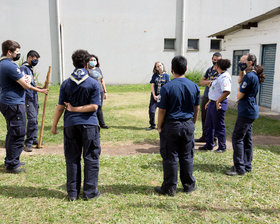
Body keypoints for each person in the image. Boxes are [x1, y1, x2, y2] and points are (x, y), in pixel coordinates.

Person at [51, 49, 101, 201]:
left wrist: (54, 126)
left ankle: (72, 193)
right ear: (87, 64)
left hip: (70, 125)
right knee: (91, 157)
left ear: (73, 63)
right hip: (89, 125)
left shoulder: (66, 83)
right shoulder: (93, 83)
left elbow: (60, 107)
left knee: (72, 158)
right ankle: (89, 192)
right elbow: (94, 107)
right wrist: (76, 109)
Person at [0, 40, 48, 174]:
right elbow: (26, 84)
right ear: (9, 52)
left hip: (8, 102)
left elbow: (26, 80)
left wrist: (25, 80)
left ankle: (11, 159)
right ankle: (12, 164)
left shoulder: (3, 63)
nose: (18, 54)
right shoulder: (9, 66)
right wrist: (25, 80)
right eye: (17, 52)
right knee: (18, 133)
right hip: (13, 104)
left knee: (12, 132)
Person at [155, 56, 200, 196]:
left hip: (171, 125)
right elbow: (196, 107)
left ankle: (169, 188)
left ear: (172, 69)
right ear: (186, 69)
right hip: (187, 124)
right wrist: (193, 122)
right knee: (187, 155)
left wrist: (159, 126)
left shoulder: (167, 87)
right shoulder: (194, 86)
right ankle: (188, 185)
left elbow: (162, 110)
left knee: (170, 156)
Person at [226, 54, 265, 176]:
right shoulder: (250, 75)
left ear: (249, 63)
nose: (239, 63)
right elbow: (241, 82)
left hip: (246, 112)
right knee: (247, 139)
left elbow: (239, 96)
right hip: (250, 111)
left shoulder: (250, 77)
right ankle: (247, 165)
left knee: (237, 138)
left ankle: (239, 168)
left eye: (242, 61)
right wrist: (241, 74)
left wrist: (239, 86)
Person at [199, 59, 231, 153]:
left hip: (219, 103)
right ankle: (209, 144)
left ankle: (222, 147)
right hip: (212, 102)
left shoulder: (225, 77)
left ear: (218, 66)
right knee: (209, 125)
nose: (214, 67)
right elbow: (215, 90)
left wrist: (217, 102)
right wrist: (210, 101)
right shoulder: (220, 76)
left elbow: (227, 91)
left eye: (216, 65)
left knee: (219, 126)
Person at [20, 50, 45, 152]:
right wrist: (40, 90)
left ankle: (34, 138)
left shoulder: (30, 69)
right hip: (28, 97)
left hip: (34, 97)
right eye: (34, 59)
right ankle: (28, 142)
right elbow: (26, 85)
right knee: (32, 119)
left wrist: (40, 87)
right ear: (29, 58)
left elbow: (31, 84)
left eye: (37, 60)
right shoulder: (24, 68)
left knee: (35, 118)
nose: (36, 62)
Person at [196, 52, 221, 143]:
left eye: (218, 60)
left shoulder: (221, 72)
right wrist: (209, 82)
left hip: (215, 98)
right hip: (206, 96)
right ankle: (204, 136)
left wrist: (209, 82)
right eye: (214, 60)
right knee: (204, 117)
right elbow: (201, 82)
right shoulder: (209, 70)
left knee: (213, 119)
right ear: (212, 59)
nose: (215, 62)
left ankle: (213, 139)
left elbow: (217, 83)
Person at [146, 61, 170, 131]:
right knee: (152, 110)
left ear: (163, 65)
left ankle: (162, 125)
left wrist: (160, 95)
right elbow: (152, 86)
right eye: (158, 66)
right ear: (156, 68)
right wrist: (154, 95)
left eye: (160, 65)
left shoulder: (166, 76)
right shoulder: (154, 75)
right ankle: (152, 125)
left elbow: (167, 87)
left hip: (162, 96)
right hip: (154, 96)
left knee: (163, 111)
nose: (159, 67)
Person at [88, 54, 109, 129]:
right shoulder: (86, 70)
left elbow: (102, 80)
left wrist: (105, 91)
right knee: (92, 107)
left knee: (99, 107)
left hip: (100, 91)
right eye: (91, 60)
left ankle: (102, 124)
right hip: (91, 91)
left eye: (94, 60)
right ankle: (92, 123)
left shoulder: (98, 69)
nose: (93, 61)